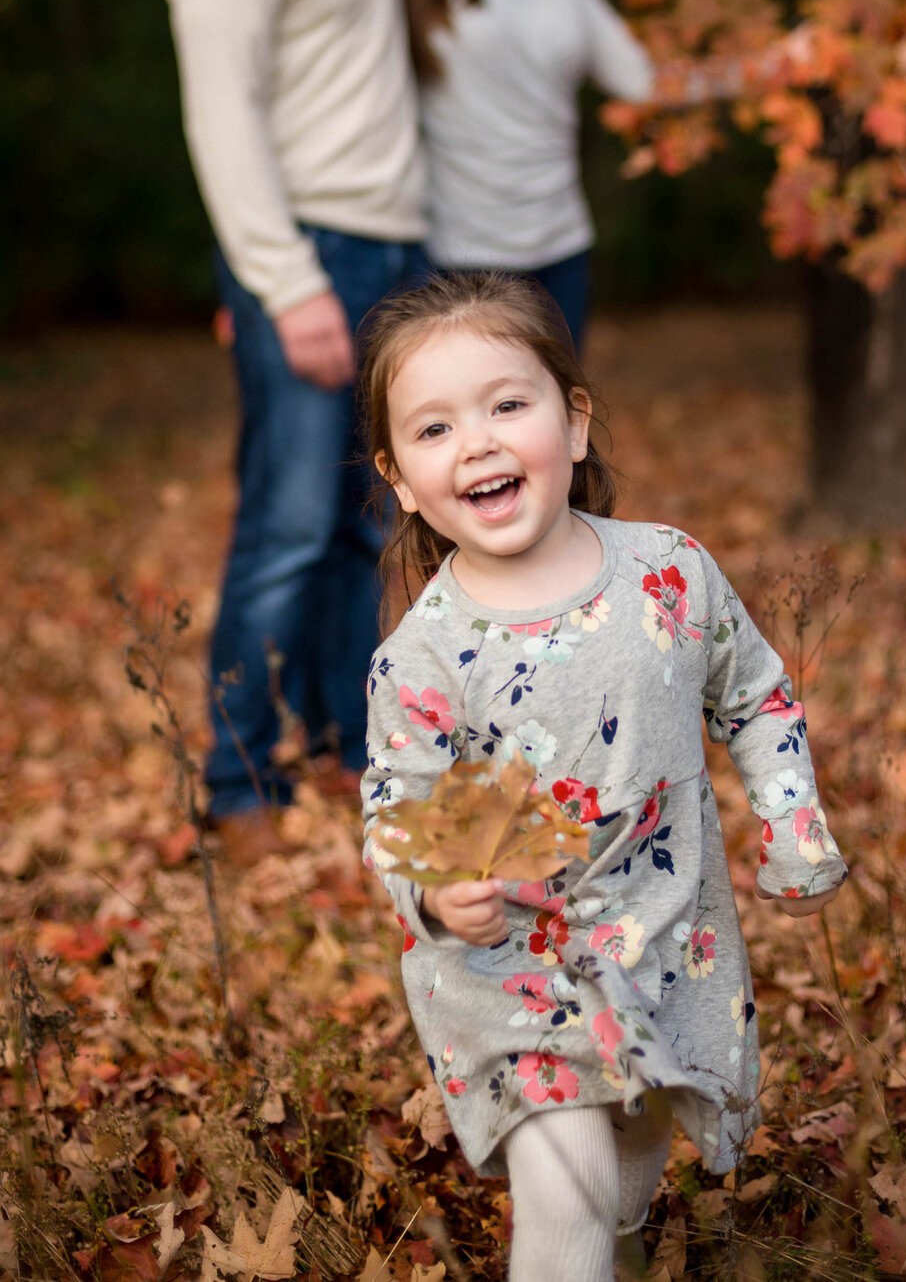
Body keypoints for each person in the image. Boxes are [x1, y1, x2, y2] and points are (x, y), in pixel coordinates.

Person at [357, 273, 846, 1282]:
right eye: (436, 427)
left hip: (667, 942)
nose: (480, 442)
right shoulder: (425, 658)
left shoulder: (668, 573)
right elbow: (394, 815)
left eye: (507, 403)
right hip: (512, 973)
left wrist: (793, 820)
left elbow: (754, 693)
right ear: (400, 477)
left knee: (621, 1186)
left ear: (574, 423)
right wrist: (436, 893)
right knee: (569, 1200)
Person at [161, 0, 427, 867]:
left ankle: (343, 741)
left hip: (384, 242)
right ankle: (234, 780)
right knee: (280, 520)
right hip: (313, 246)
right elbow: (223, 115)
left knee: (355, 519)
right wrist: (282, 278)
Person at [393, 0, 655, 351]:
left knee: (558, 438)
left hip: (562, 252)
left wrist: (772, 65)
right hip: (458, 262)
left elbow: (641, 80)